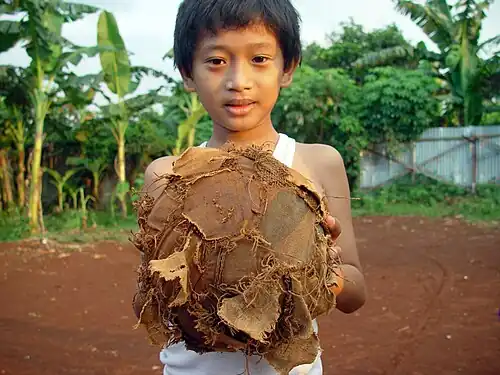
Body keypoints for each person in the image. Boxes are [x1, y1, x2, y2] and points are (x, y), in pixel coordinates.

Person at [135, 0, 366, 374]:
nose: (238, 81)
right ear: (187, 73)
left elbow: (355, 292)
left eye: (259, 59)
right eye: (216, 61)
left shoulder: (318, 162)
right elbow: (157, 293)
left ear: (287, 68)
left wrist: (321, 266)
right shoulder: (166, 175)